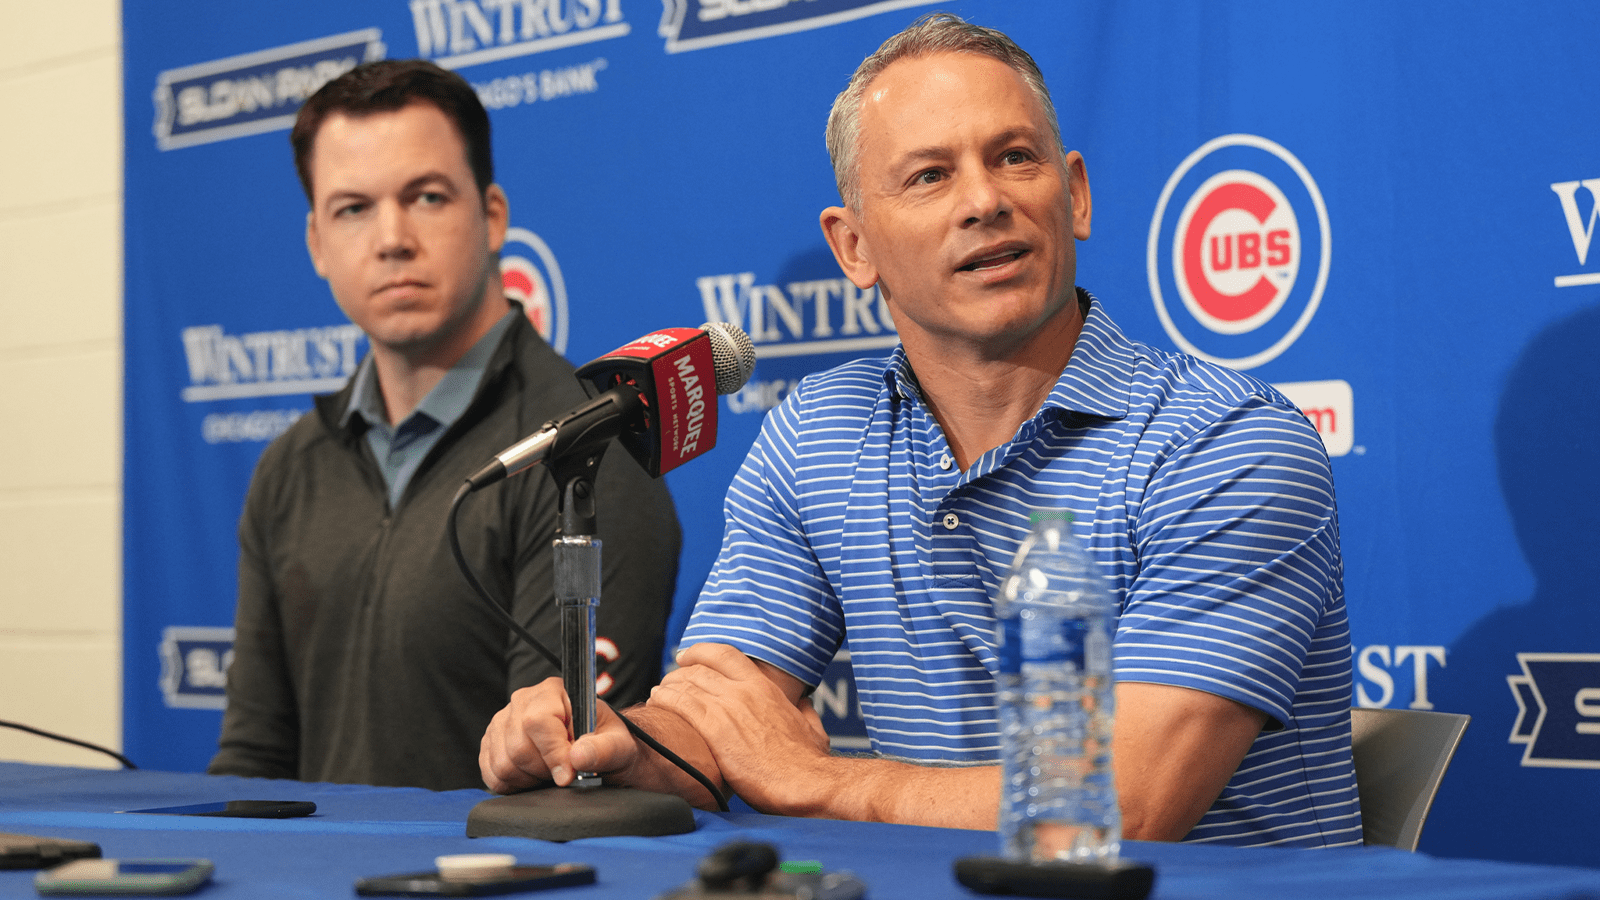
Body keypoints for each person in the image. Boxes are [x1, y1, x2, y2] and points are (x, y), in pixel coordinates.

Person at [479, 14, 1361, 847]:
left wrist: (815, 780)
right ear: (853, 247)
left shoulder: (1226, 442)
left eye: (1015, 158)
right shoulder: (818, 434)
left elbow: (1122, 804)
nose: (984, 200)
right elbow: (720, 718)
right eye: (931, 176)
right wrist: (613, 744)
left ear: (1076, 195)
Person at [209, 60, 681, 791]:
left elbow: (555, 776)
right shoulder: (290, 467)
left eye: (426, 197)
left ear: (492, 216)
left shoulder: (586, 454)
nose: (392, 238)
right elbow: (251, 763)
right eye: (353, 209)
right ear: (316, 243)